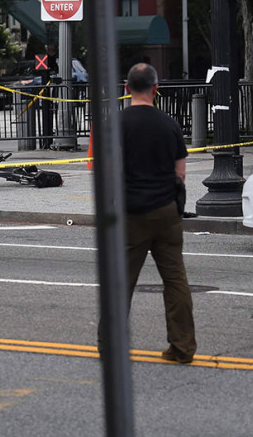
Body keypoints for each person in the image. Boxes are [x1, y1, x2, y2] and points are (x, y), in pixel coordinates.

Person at [101, 62, 196, 364]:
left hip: (131, 214)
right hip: (166, 211)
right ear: (156, 89)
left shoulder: (117, 123)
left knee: (121, 281)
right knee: (175, 280)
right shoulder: (169, 124)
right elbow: (180, 172)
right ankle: (182, 346)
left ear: (126, 88)